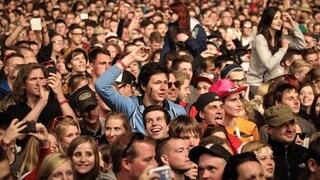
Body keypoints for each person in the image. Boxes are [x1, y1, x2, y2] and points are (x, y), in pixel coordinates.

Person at [95, 46, 185, 134]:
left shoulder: (177, 111)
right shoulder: (129, 107)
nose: (163, 88)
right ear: (143, 86)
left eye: (165, 83)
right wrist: (131, 58)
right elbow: (101, 85)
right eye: (157, 83)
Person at [246, 7, 306, 97]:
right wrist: (283, 49)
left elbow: (301, 44)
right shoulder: (260, 39)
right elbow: (269, 64)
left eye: (280, 18)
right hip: (256, 83)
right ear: (268, 20)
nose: (279, 21)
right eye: (275, 18)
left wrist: (293, 26)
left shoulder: (280, 37)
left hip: (272, 82)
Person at [264, 105, 308, 180]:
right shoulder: (260, 157)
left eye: (292, 122)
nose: (290, 129)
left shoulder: (305, 154)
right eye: (283, 125)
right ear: (269, 129)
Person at [209, 78, 259, 143]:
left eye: (239, 99)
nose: (240, 104)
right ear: (220, 104)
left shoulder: (250, 127)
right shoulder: (209, 131)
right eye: (233, 100)